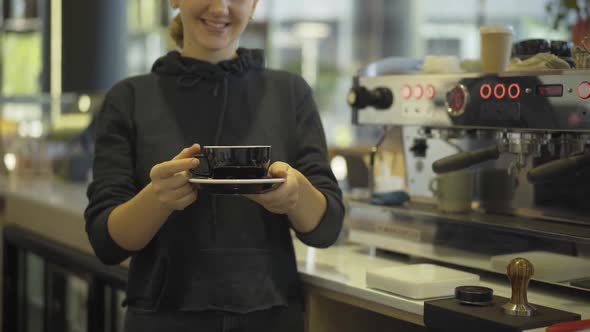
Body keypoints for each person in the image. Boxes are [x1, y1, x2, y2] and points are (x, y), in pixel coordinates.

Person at [84, 0, 345, 331]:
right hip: (162, 317)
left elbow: (327, 227)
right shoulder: (129, 98)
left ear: (253, 6)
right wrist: (157, 198)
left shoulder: (290, 93)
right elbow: (107, 241)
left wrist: (295, 194)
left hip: (271, 316)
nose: (220, 8)